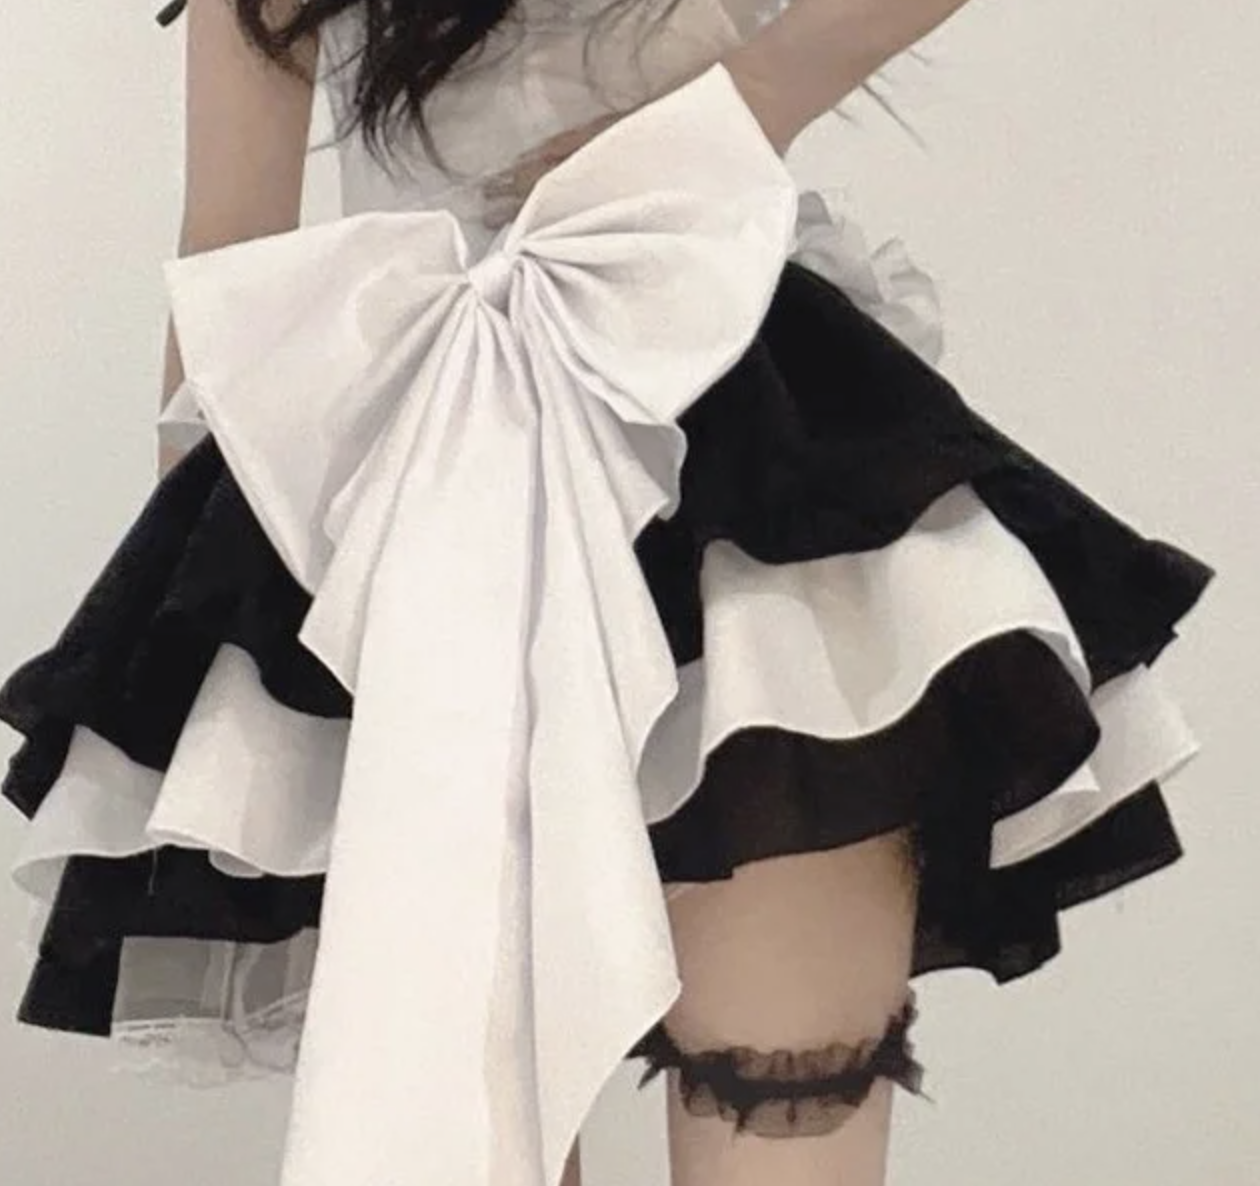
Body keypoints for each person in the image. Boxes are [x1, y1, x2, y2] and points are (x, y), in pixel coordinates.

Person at [0, 2, 1216, 1185]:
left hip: (726, 435)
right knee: (465, 1120)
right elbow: (232, 276)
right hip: (432, 502)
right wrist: (201, 634)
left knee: (779, 1092)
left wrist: (733, 108)